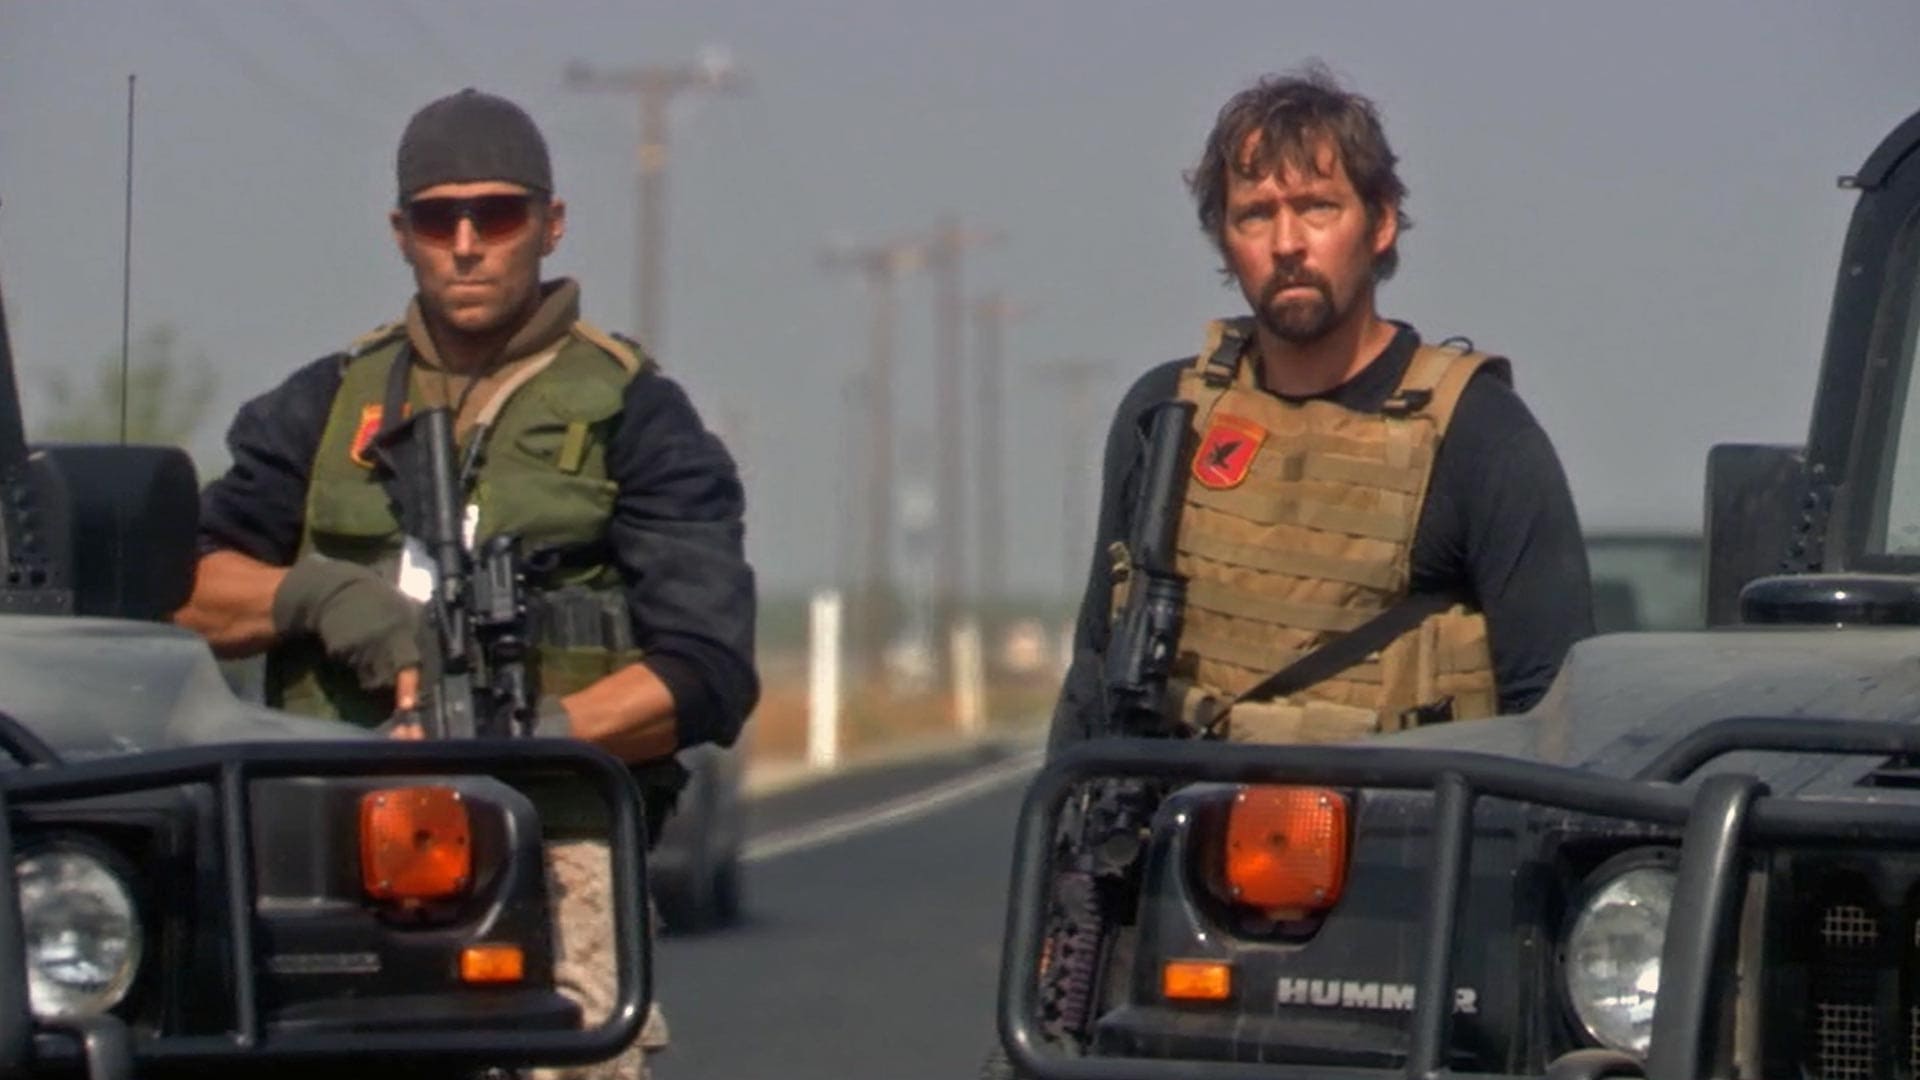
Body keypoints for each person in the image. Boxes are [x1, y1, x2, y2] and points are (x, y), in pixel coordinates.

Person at [173, 88, 758, 1080]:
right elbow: (181, 585)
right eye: (439, 218)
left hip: (551, 837)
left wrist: (531, 735)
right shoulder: (324, 405)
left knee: (572, 1057)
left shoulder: (635, 412)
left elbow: (705, 670)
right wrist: (326, 600)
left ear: (550, 224)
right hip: (332, 837)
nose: (468, 244)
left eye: (497, 214)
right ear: (402, 234)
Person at [1051, 66, 1590, 750]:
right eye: (1255, 215)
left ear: (1380, 222)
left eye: (1317, 208)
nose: (1287, 245)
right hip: (1187, 808)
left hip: (1400, 815)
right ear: (1225, 240)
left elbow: (1553, 705)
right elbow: (1094, 669)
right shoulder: (1166, 414)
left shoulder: (1477, 432)